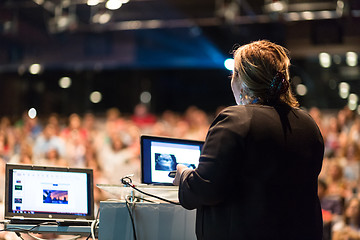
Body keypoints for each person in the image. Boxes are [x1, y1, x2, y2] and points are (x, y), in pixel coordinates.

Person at [173, 40, 324, 240]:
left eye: (233, 73)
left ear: (243, 81)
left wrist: (183, 175)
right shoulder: (308, 124)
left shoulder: (236, 120)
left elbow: (205, 189)